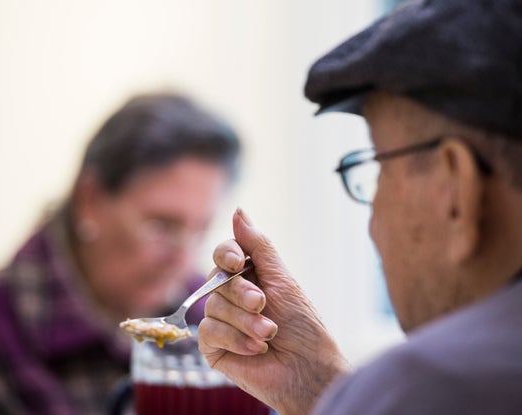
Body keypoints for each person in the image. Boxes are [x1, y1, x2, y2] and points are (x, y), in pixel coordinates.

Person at [197, 1, 522, 414]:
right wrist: (319, 387)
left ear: (455, 192)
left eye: (379, 168)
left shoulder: (433, 383)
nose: (373, 227)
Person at [0, 92, 241, 414]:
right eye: (161, 226)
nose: (183, 260)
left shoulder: (209, 321)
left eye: (199, 230)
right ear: (90, 200)